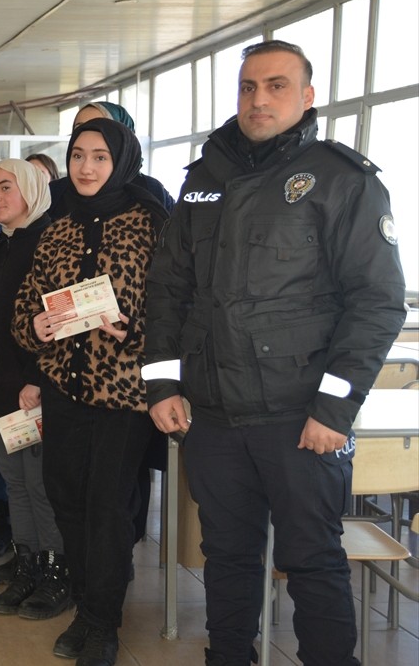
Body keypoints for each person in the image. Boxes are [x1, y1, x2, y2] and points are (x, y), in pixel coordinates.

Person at [144, 40, 406, 666]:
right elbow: (167, 291)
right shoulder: (203, 179)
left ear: (307, 96)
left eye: (277, 85)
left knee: (311, 561)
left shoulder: (342, 180)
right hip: (212, 414)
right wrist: (162, 386)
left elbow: (376, 302)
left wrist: (333, 410)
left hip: (299, 419)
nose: (259, 99)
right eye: (248, 87)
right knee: (227, 558)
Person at [12, 118, 168, 665]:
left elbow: (175, 309)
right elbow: (26, 304)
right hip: (63, 390)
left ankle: (103, 620)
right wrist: (36, 327)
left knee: (106, 508)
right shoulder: (57, 228)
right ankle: (85, 604)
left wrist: (133, 332)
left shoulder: (149, 225)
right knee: (67, 501)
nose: (85, 167)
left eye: (99, 156)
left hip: (123, 397)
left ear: (121, 161)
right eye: (78, 155)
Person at [0, 158, 70, 621]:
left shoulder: (51, 240)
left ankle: (56, 572)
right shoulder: (4, 245)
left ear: (31, 188)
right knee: (17, 483)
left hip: (32, 389)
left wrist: (38, 380)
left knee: (40, 483)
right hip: (1, 389)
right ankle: (29, 561)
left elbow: (61, 320)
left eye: (5, 187)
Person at [46, 101, 175, 220]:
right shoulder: (56, 193)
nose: (88, 133)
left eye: (101, 126)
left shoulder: (151, 191)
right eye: (79, 128)